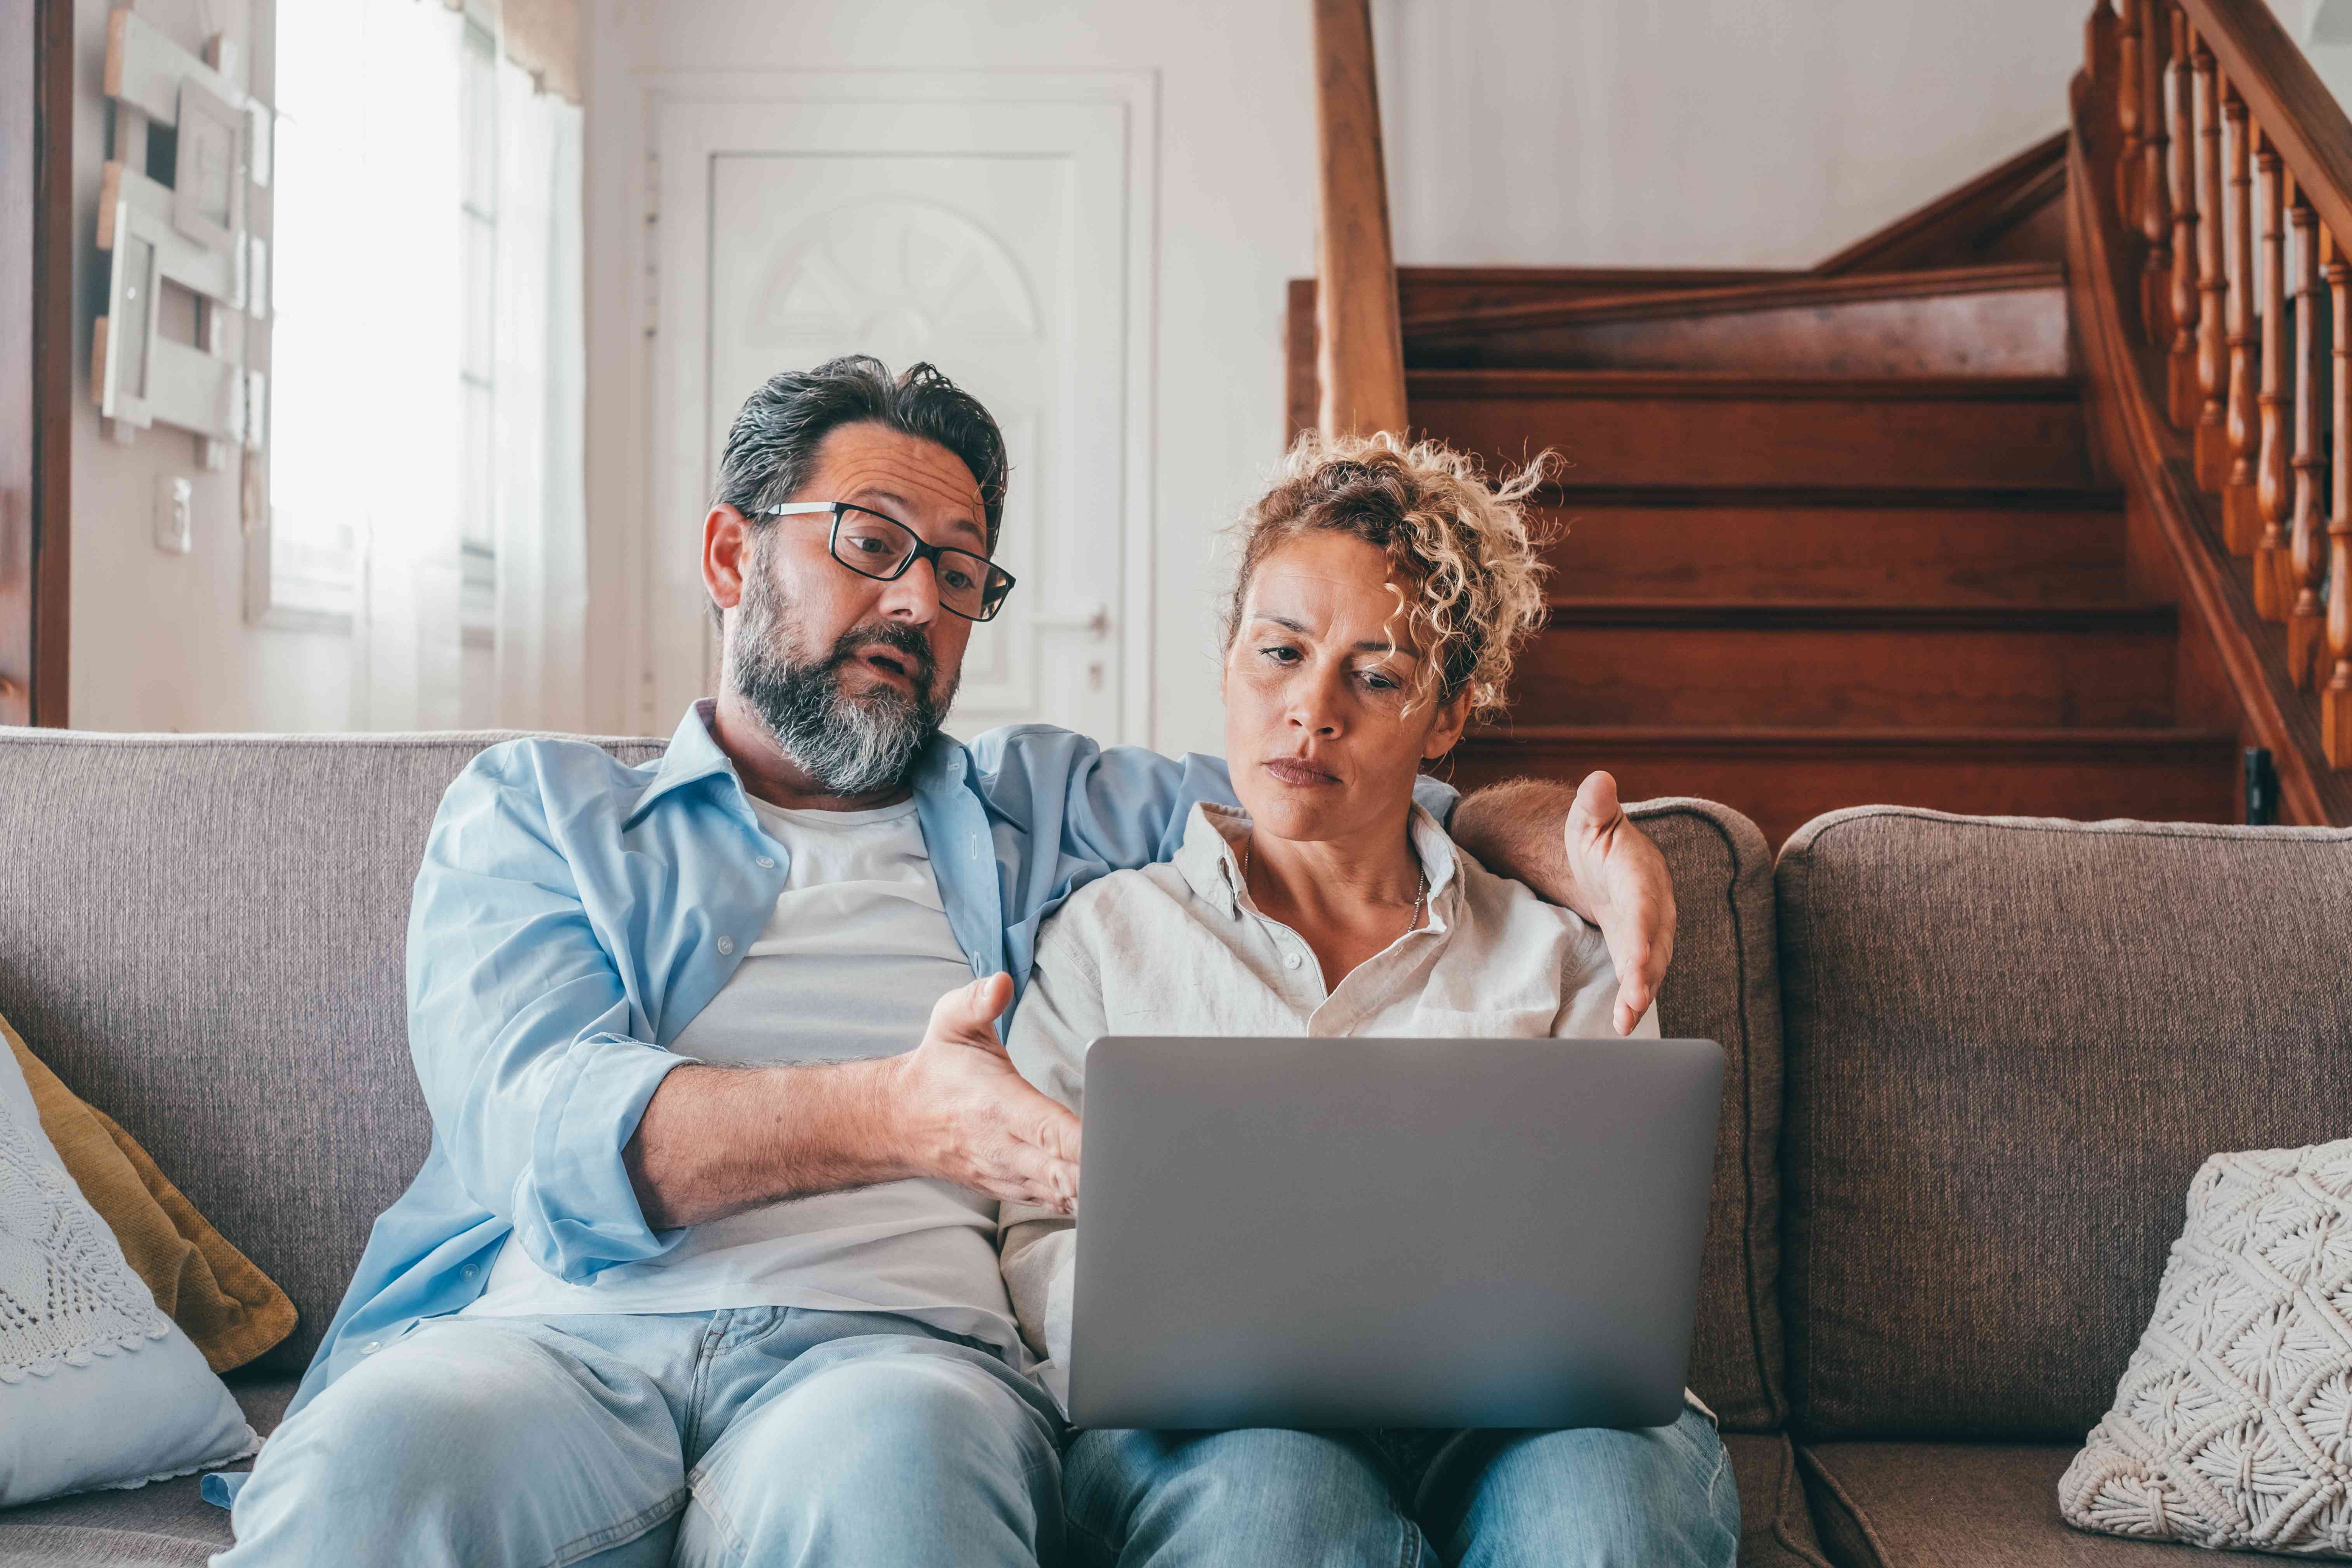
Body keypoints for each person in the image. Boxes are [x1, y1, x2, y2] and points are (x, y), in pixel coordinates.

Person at [209, 358, 1679, 1568]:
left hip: (893, 1357)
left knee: (901, 1487)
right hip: (550, 1337)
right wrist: (903, 1116)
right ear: (733, 553)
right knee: (363, 1472)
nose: (918, 602)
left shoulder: (1045, 808)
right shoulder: (540, 812)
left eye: (961, 574)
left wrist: (1574, 843)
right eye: (870, 544)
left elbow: (1351, 787)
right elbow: (537, 1129)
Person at [1000, 431, 1739, 1568]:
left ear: (1446, 719)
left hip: (1528, 1427)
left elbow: (1617, 1259)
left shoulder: (1560, 956)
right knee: (1266, 1521)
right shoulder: (1108, 937)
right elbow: (1039, 1233)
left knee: (1600, 1523)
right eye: (1279, 653)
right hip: (1217, 1431)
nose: (1312, 709)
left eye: (1376, 674)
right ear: (1228, 661)